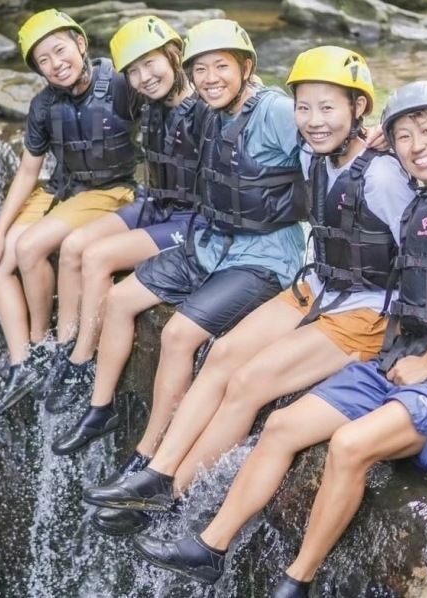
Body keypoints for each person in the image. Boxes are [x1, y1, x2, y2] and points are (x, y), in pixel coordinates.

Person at [131, 79, 427, 597]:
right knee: (281, 425)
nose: (416, 145)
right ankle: (209, 546)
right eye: (404, 136)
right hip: (398, 358)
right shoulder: (417, 195)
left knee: (348, 445)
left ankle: (299, 579)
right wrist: (377, 140)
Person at [81, 46, 415, 536]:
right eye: (305, 107)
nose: (314, 120)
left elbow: (422, 253)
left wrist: (419, 347)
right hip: (318, 286)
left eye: (328, 108)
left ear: (358, 107)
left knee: (246, 383)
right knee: (222, 355)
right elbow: (259, 119)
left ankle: (177, 495)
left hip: (365, 312)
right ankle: (156, 473)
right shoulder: (313, 152)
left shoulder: (386, 174)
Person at [50, 20, 308, 470]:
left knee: (176, 334)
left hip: (263, 253)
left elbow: (324, 145)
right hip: (210, 241)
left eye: (221, 67)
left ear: (247, 66)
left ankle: (146, 457)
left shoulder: (274, 111)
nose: (210, 79)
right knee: (119, 298)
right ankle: (100, 407)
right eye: (201, 69)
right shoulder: (204, 109)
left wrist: (369, 138)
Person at [38, 15, 207, 414]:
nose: (144, 77)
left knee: (99, 257)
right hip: (155, 203)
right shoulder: (147, 103)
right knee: (76, 244)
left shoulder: (207, 107)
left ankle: (82, 360)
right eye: (133, 70)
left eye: (151, 64)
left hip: (189, 222)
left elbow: (248, 106)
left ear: (174, 55)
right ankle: (69, 345)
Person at [0, 9, 142, 417]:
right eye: (44, 61)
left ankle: (44, 344)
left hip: (111, 190)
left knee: (33, 247)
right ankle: (22, 362)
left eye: (60, 50)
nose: (56, 64)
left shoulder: (122, 85)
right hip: (62, 189)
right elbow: (28, 171)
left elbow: (167, 111)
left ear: (81, 43)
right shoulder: (43, 105)